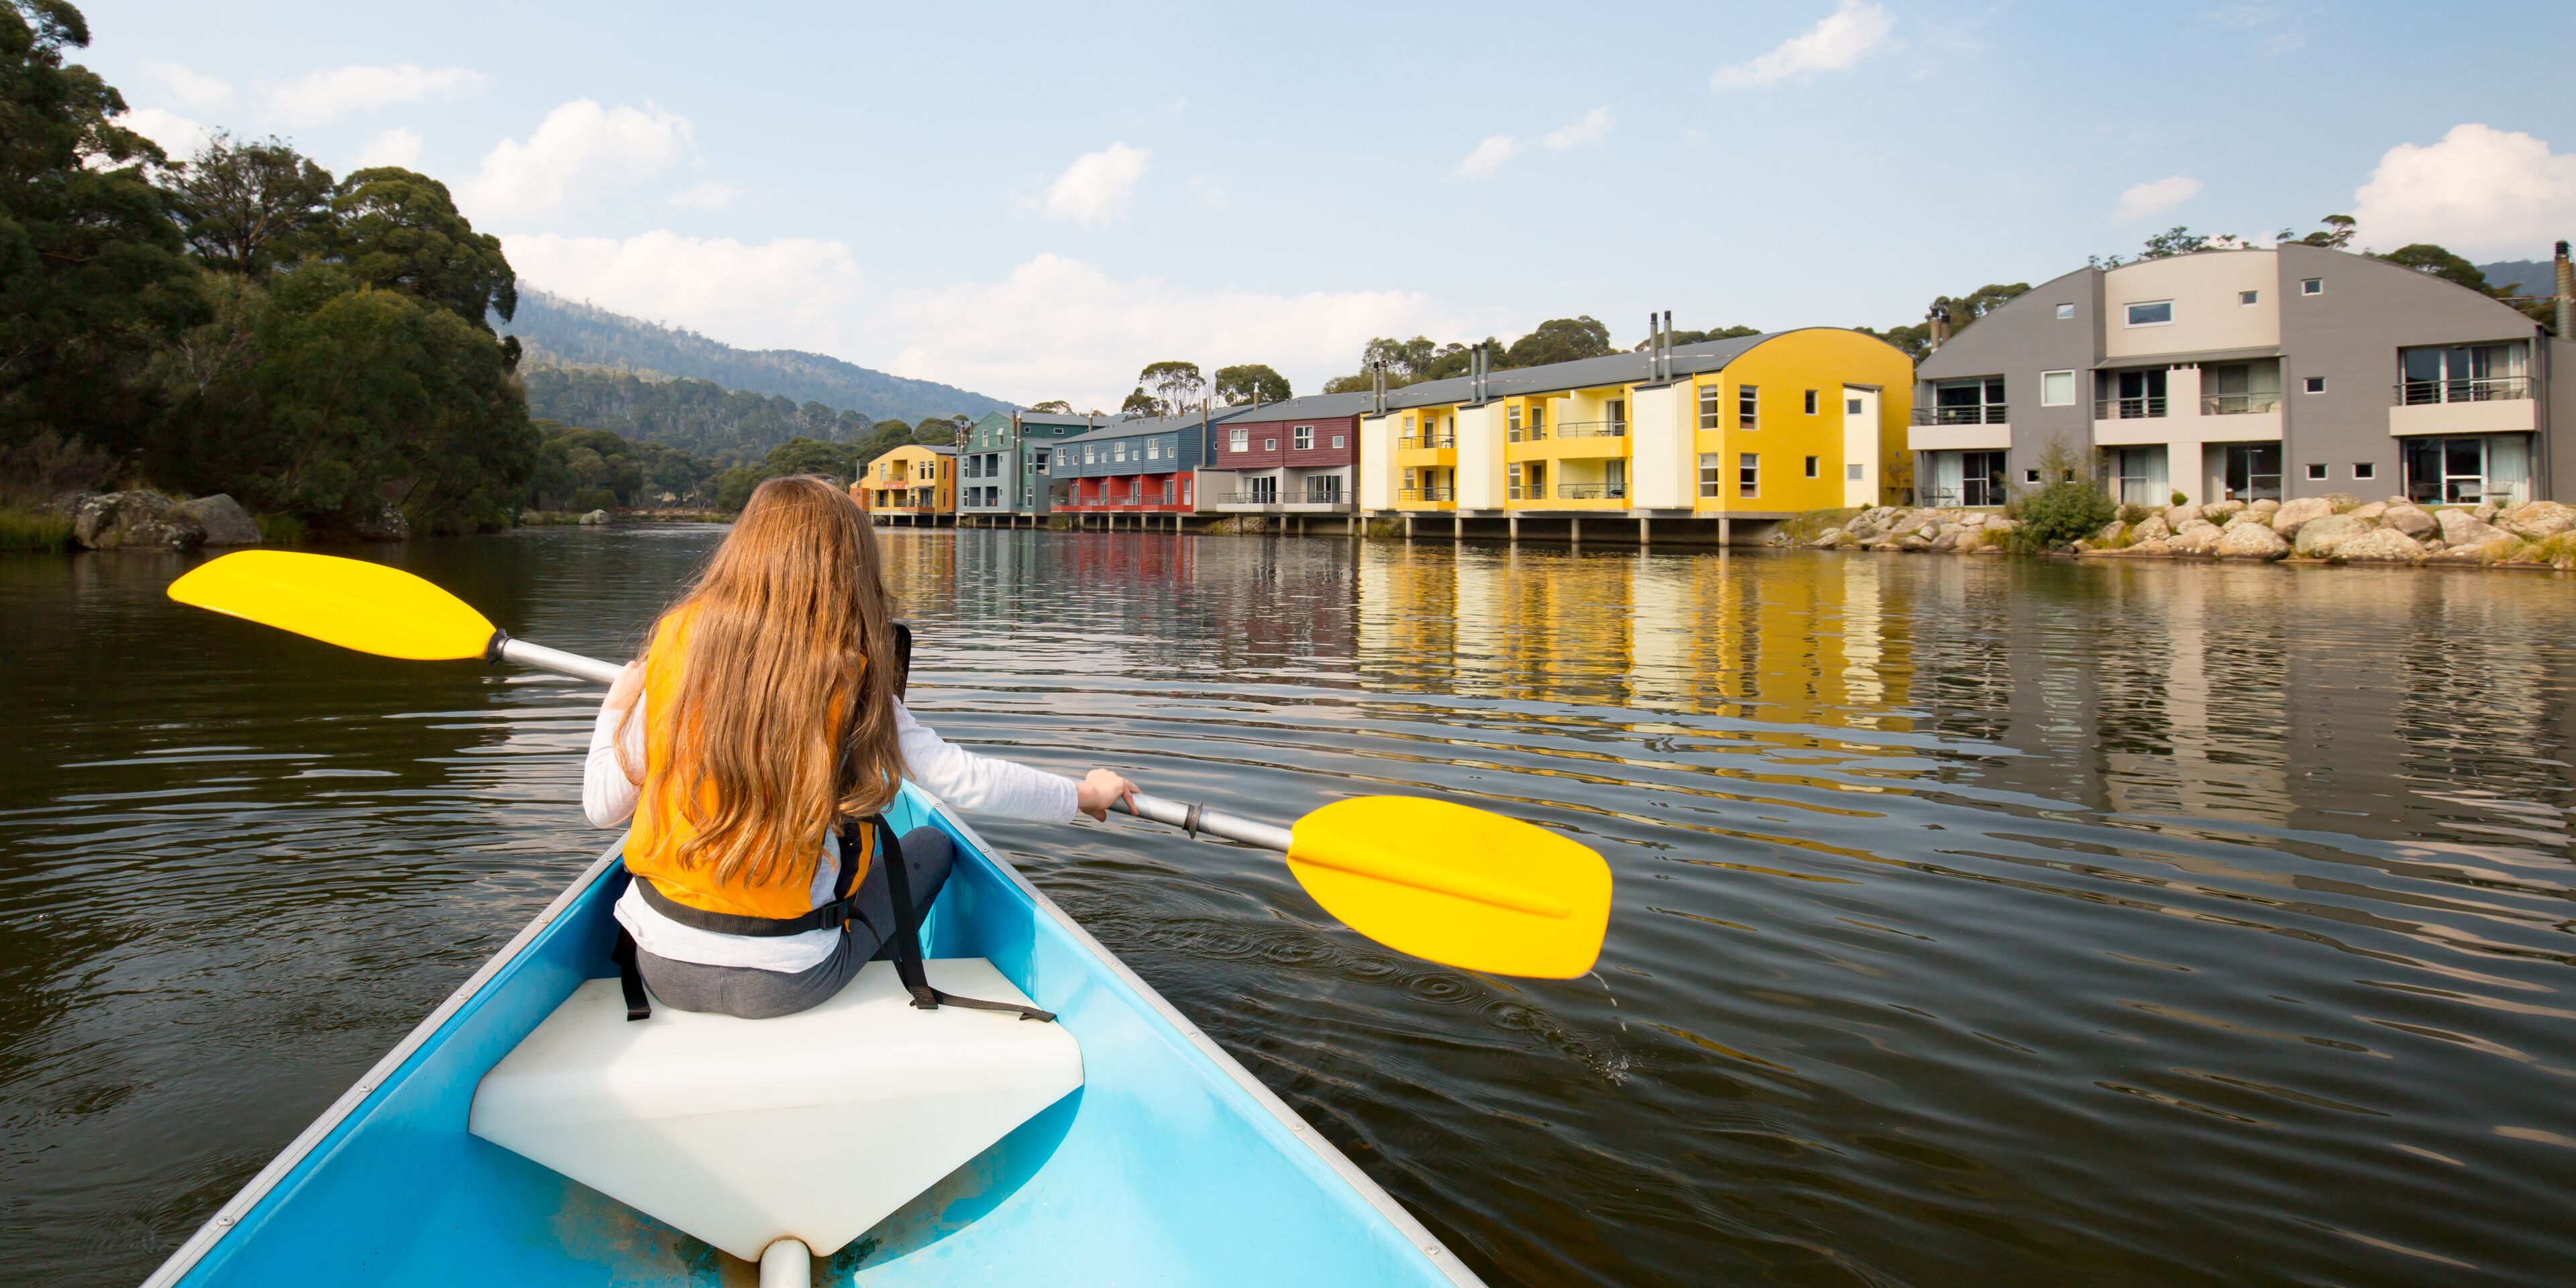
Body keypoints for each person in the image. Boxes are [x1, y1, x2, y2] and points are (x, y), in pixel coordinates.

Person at [582, 474, 1135, 1019]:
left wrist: (615, 708)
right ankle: (874, 983)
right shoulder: (853, 680)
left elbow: (602, 808)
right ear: (847, 572)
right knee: (930, 847)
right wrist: (1085, 795)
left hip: (661, 969)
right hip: (790, 983)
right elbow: (964, 779)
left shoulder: (674, 652)